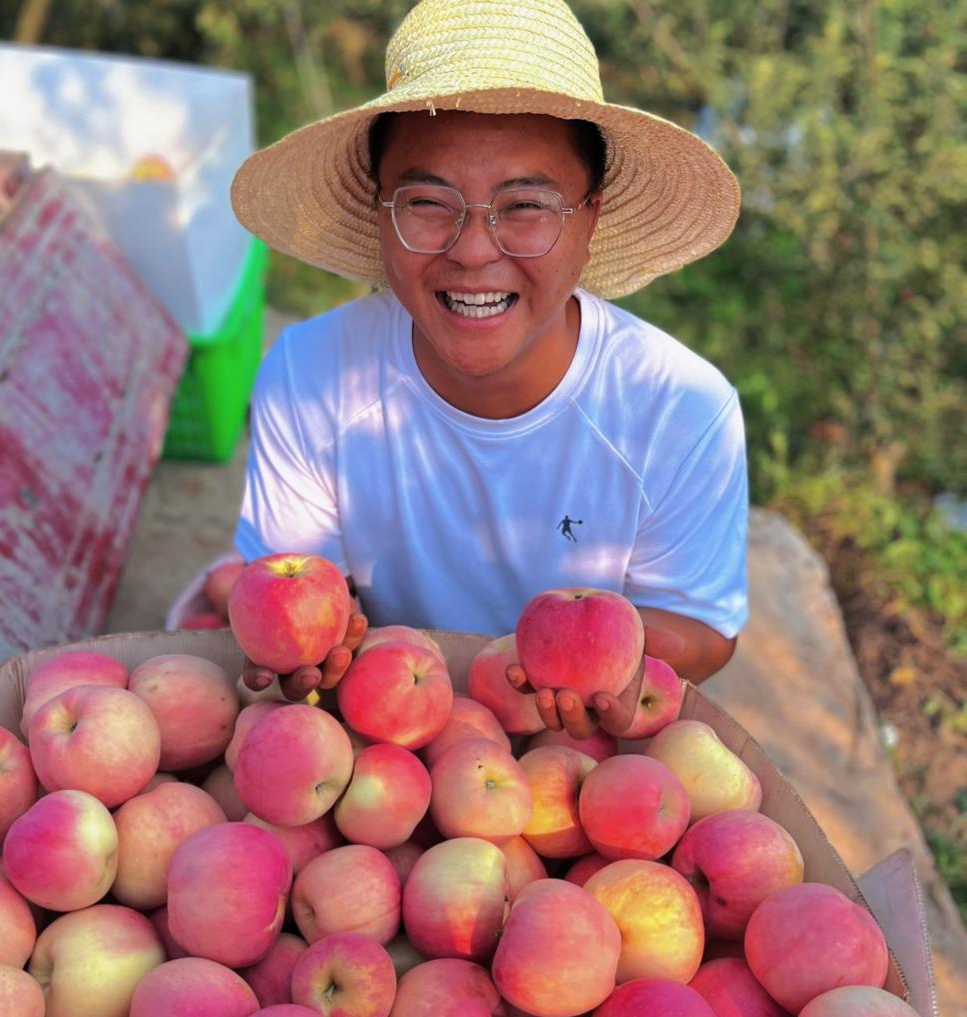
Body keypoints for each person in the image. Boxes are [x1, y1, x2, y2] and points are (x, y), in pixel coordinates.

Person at [216, 0, 749, 738]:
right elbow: (295, 584)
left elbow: (702, 625)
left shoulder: (679, 411)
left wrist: (585, 659)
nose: (472, 251)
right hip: (378, 728)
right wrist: (312, 641)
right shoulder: (309, 378)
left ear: (590, 219)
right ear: (380, 213)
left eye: (524, 205)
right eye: (428, 202)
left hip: (581, 753)